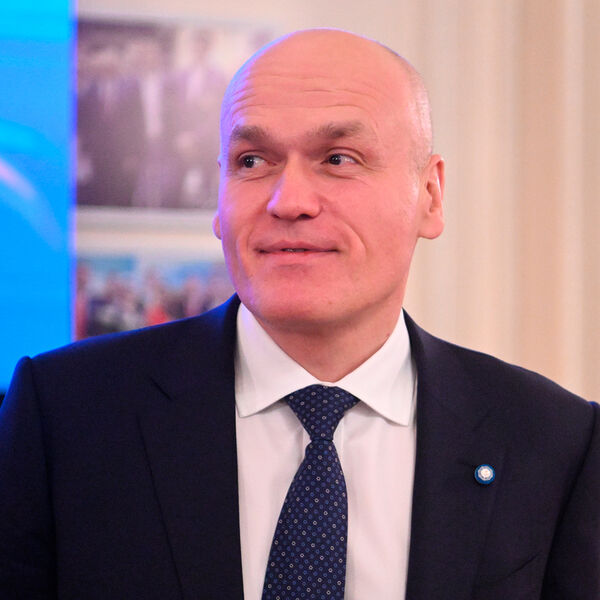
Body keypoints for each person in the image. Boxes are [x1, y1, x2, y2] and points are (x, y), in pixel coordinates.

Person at [0, 28, 598, 600]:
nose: (289, 202)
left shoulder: (555, 442)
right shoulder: (65, 414)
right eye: (252, 161)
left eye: (338, 158)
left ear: (430, 195)